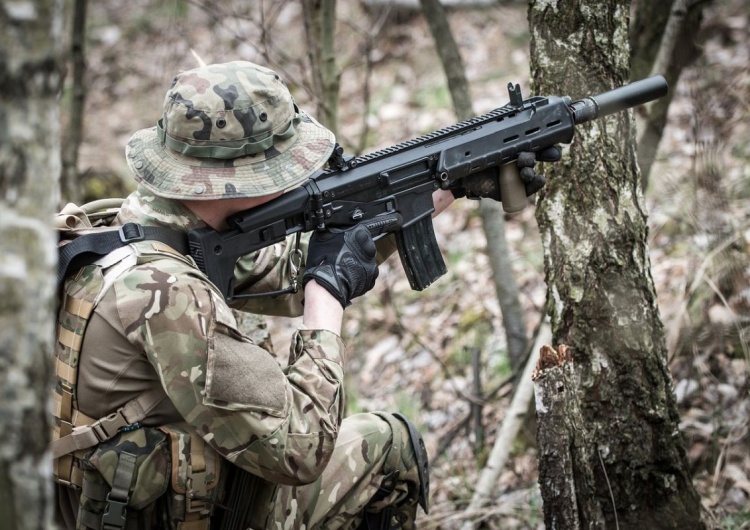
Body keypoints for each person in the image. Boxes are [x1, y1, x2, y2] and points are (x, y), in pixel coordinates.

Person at [51, 60, 555, 529]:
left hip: (106, 502)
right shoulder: (167, 294)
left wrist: (445, 184)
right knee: (387, 445)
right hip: (167, 513)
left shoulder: (127, 232)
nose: (295, 176)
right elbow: (301, 448)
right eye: (279, 167)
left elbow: (286, 272)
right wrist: (327, 298)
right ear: (233, 180)